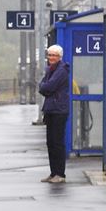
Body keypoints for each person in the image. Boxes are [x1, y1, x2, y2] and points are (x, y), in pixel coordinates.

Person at [38, 44, 70, 183]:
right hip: (51, 109)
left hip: (59, 110)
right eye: (49, 55)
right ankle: (53, 172)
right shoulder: (50, 70)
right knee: (50, 142)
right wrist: (45, 87)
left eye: (54, 55)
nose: (51, 58)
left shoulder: (61, 71)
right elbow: (42, 86)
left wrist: (45, 87)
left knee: (57, 142)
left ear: (59, 57)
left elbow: (48, 86)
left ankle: (60, 174)